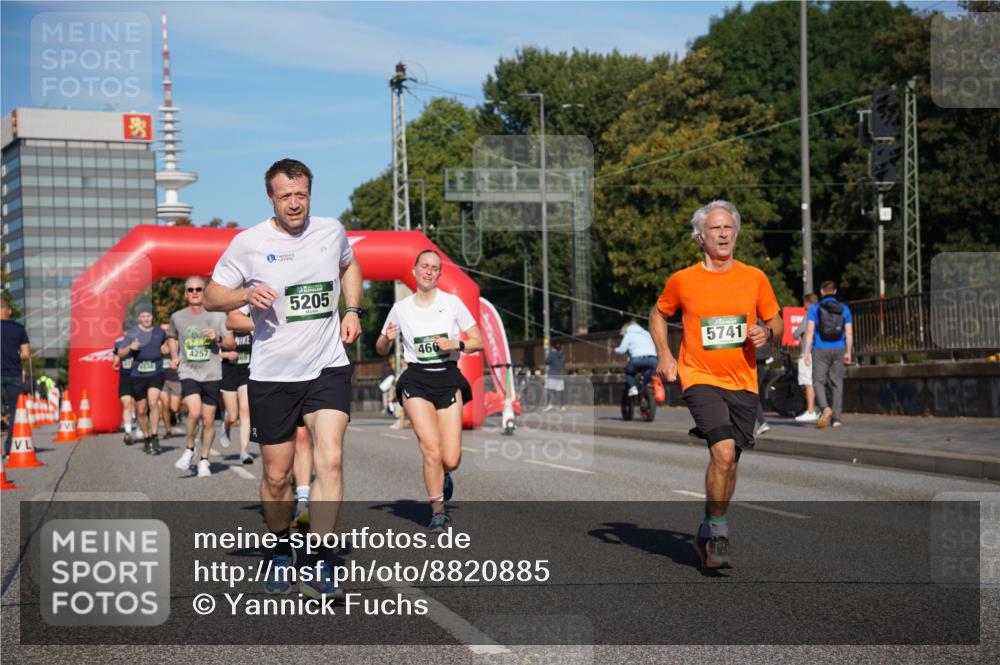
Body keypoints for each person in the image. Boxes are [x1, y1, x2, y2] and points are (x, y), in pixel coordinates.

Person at [205, 158, 362, 600]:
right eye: (285, 196)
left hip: (327, 364)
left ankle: (323, 558)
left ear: (310, 193)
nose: (295, 203)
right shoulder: (248, 243)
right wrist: (244, 293)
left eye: (302, 194)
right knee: (277, 477)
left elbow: (350, 266)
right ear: (270, 197)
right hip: (273, 374)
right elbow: (215, 294)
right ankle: (279, 548)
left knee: (329, 458)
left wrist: (351, 310)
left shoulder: (331, 231)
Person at [649, 200, 782, 570]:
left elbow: (777, 320)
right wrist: (665, 354)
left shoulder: (754, 277)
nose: (724, 233)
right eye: (715, 228)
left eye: (729, 228)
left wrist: (766, 331)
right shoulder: (683, 280)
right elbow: (658, 313)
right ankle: (720, 532)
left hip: (743, 380)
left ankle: (706, 530)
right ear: (700, 237)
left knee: (730, 464)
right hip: (700, 377)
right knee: (722, 453)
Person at [375, 249, 482, 530]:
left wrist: (455, 345)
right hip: (416, 380)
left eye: (434, 268)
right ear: (414, 270)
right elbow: (380, 347)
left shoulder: (453, 303)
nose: (429, 271)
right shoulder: (401, 308)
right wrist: (386, 339)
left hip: (447, 378)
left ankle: (445, 473)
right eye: (424, 266)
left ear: (439, 274)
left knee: (451, 458)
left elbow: (477, 341)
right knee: (430, 448)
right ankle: (437, 510)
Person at [169, 276, 231, 476]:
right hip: (189, 372)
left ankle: (204, 459)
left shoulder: (218, 316)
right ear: (185, 294)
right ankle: (189, 448)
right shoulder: (177, 317)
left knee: (209, 419)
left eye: (198, 289)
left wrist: (218, 338)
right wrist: (173, 356)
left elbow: (231, 343)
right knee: (194, 412)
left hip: (212, 374)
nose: (194, 292)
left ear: (204, 292)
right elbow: (171, 337)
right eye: (190, 290)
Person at [118, 305, 169, 454]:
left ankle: (154, 435)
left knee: (153, 402)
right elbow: (120, 353)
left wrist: (165, 349)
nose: (146, 318)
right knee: (141, 410)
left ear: (152, 317)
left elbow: (166, 344)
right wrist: (130, 348)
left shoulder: (160, 332)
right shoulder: (132, 333)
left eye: (149, 315)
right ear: (139, 318)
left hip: (156, 372)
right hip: (138, 374)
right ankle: (146, 438)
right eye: (143, 316)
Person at [802, 281, 853, 429]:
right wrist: (849, 352)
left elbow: (810, 331)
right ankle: (836, 419)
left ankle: (825, 408)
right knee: (837, 383)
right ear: (835, 291)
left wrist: (806, 352)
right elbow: (849, 332)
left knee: (818, 381)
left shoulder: (814, 308)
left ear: (822, 292)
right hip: (839, 348)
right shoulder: (844, 308)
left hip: (820, 348)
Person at [220, 306, 254, 464]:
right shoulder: (224, 327)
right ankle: (226, 423)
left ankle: (244, 452)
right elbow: (213, 352)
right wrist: (227, 354)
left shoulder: (252, 327)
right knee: (233, 415)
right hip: (229, 373)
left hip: (246, 372)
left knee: (245, 410)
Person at [1, 300, 30, 456]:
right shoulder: (18, 329)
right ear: (9, 311)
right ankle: (9, 447)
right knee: (15, 413)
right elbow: (25, 354)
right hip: (13, 374)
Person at [793, 293, 820, 422]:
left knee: (808, 382)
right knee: (818, 382)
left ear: (808, 303)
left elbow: (797, 332)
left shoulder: (810, 314)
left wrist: (797, 334)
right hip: (821, 351)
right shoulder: (823, 313)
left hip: (807, 353)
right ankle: (822, 408)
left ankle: (810, 410)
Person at [614, 320, 658, 398]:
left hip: (636, 360)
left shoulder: (629, 335)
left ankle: (633, 388)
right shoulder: (647, 333)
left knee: (629, 373)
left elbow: (622, 349)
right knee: (647, 378)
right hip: (652, 359)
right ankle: (646, 388)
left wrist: (615, 350)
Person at [159, 323, 184, 438]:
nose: (165, 332)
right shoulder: (156, 341)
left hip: (175, 378)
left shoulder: (177, 341)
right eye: (163, 330)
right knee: (164, 405)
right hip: (162, 378)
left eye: (167, 330)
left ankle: (175, 414)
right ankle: (168, 430)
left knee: (173, 407)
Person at [113, 325, 137, 444]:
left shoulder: (140, 340)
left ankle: (140, 421)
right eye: (127, 330)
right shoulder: (118, 342)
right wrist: (115, 363)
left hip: (139, 376)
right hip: (125, 376)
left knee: (138, 405)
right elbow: (117, 354)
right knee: (127, 403)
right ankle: (128, 432)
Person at [543, 342, 566, 411]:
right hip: (559, 375)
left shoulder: (552, 354)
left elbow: (546, 361)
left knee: (550, 390)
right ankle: (562, 406)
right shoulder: (562, 355)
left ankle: (550, 405)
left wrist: (552, 353)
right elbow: (563, 364)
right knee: (561, 391)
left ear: (553, 347)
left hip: (552, 375)